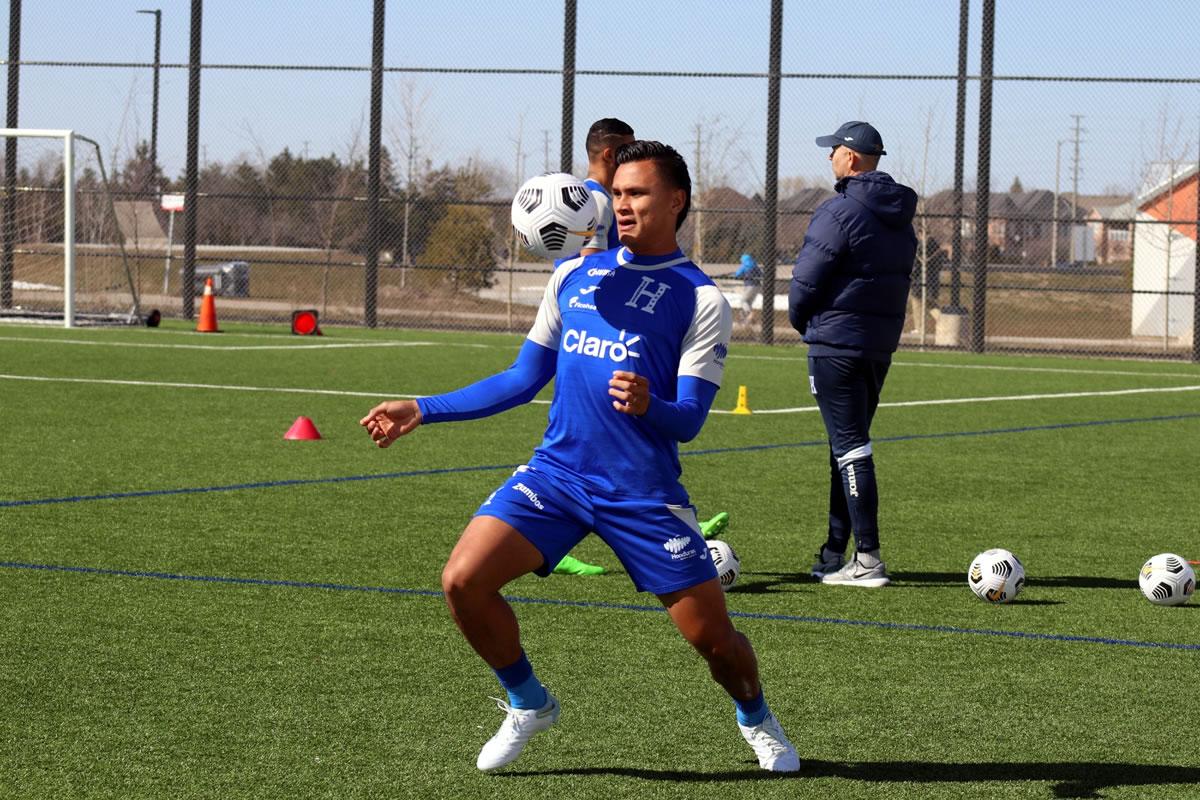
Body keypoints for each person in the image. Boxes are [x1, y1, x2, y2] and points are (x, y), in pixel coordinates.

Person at [362, 140, 800, 773]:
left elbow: (690, 421)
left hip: (643, 494)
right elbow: (520, 380)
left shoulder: (702, 300)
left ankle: (757, 718)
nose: (623, 205)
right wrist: (422, 409)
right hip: (558, 475)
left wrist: (651, 403)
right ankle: (528, 701)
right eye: (618, 193)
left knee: (716, 644)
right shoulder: (573, 274)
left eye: (639, 193)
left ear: (675, 201)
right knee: (463, 580)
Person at [787, 121, 917, 588]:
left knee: (850, 447)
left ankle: (868, 558)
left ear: (853, 158)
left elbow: (805, 280)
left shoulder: (837, 211)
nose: (830, 158)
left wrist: (802, 321)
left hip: (835, 344)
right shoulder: (900, 216)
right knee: (845, 446)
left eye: (835, 150)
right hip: (877, 347)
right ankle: (833, 552)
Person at [733, 253, 762, 324]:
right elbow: (761, 274)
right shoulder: (755, 265)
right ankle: (746, 321)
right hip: (757, 286)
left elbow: (737, 275)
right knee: (749, 303)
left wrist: (737, 274)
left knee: (743, 301)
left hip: (749, 286)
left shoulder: (745, 266)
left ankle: (749, 314)